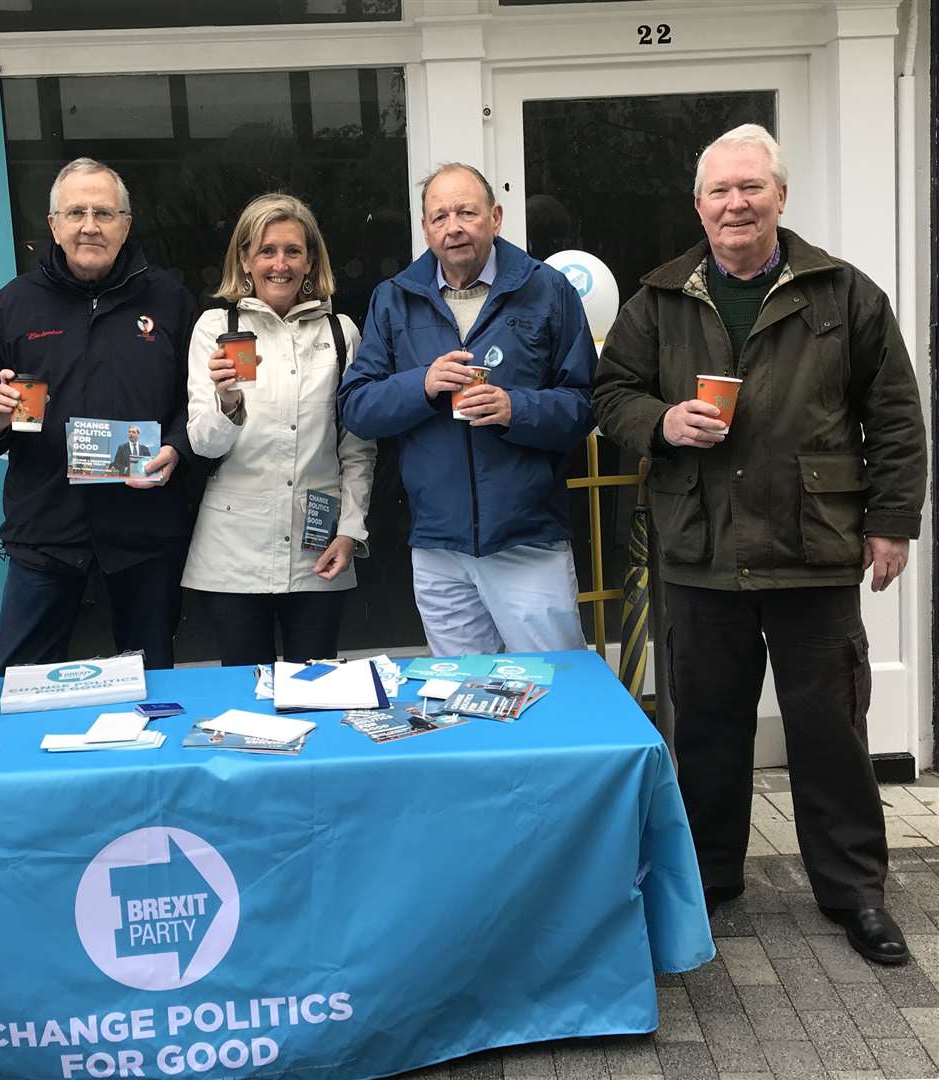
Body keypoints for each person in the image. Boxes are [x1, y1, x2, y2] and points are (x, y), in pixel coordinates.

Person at [593, 124, 926, 964]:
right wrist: (661, 423)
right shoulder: (657, 298)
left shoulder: (842, 293)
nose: (734, 204)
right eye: (718, 191)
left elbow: (892, 415)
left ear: (780, 196)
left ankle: (853, 892)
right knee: (705, 728)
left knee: (829, 730)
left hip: (811, 546)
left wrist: (890, 521)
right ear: (697, 205)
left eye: (750, 187)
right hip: (699, 550)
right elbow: (611, 393)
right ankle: (706, 880)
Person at [338, 163, 596, 655]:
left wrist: (514, 409)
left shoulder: (547, 290)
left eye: (466, 212)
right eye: (439, 216)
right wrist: (423, 384)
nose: (452, 227)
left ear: (495, 217)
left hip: (527, 541)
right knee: (466, 703)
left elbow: (584, 405)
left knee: (554, 694)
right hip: (438, 546)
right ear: (425, 229)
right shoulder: (394, 300)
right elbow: (357, 407)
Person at [0, 157, 196, 674]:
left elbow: (195, 400)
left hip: (142, 532)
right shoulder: (15, 305)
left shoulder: (170, 299)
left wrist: (177, 444)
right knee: (18, 687)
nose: (90, 225)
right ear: (54, 225)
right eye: (77, 212)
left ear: (126, 224)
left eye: (105, 213)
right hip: (46, 531)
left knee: (150, 688)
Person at [182, 194, 375, 665]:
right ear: (245, 259)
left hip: (319, 547)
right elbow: (203, 444)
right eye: (266, 250)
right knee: (245, 698)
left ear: (311, 260)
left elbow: (357, 448)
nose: (280, 264)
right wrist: (227, 401)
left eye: (292, 251)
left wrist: (350, 530)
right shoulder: (216, 326)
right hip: (233, 553)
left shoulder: (340, 332)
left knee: (316, 690)